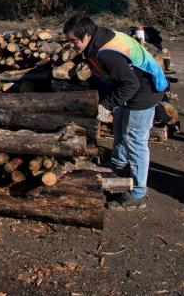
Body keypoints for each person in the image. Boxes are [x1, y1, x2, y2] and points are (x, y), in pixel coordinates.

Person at [63, 14, 168, 210]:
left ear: (86, 35)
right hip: (131, 89)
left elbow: (130, 83)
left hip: (145, 91)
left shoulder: (106, 53)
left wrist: (106, 105)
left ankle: (137, 194)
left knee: (135, 140)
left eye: (74, 41)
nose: (71, 45)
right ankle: (118, 166)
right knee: (120, 128)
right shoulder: (98, 39)